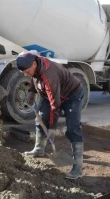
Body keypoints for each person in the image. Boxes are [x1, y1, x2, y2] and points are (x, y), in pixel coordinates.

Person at [16, 51, 85, 180]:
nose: (25, 74)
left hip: (72, 95)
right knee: (41, 118)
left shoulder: (49, 76)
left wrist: (52, 127)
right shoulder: (35, 64)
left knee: (73, 129)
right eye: (23, 72)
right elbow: (33, 78)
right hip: (53, 94)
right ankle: (39, 149)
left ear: (34, 64)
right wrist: (31, 95)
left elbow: (55, 106)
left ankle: (78, 168)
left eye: (26, 71)